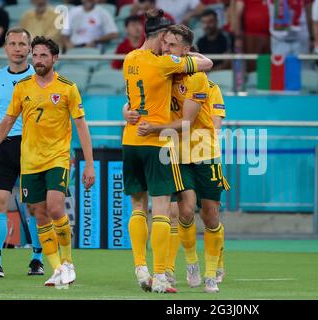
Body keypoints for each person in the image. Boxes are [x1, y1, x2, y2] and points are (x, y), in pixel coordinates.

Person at [0, 36, 95, 289]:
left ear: (55, 58)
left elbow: (81, 126)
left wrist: (89, 163)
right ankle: (56, 267)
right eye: (35, 55)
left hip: (57, 157)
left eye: (44, 55)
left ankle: (68, 262)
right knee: (38, 212)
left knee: (56, 207)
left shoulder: (68, 87)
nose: (38, 60)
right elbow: (6, 121)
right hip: (30, 160)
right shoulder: (23, 87)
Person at [122, 9, 213, 294]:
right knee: (162, 209)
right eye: (167, 40)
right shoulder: (164, 64)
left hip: (130, 139)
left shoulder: (129, 59)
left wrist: (127, 112)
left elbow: (130, 101)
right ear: (161, 37)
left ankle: (140, 267)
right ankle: (160, 275)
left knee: (138, 206)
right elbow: (207, 62)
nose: (168, 46)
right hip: (156, 143)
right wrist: (185, 55)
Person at [137, 24, 230, 293]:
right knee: (185, 211)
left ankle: (213, 270)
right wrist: (128, 111)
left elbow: (196, 122)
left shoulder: (201, 80)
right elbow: (139, 96)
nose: (166, 49)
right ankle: (192, 264)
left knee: (211, 214)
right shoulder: (164, 74)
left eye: (173, 46)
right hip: (176, 152)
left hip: (204, 152)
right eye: (165, 44)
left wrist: (155, 128)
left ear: (187, 54)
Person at [0, 27, 44, 278]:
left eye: (22, 44)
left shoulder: (41, 76)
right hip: (3, 145)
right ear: (6, 48)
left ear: (30, 49)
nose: (17, 48)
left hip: (33, 145)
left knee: (33, 206)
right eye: (13, 44)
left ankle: (37, 257)